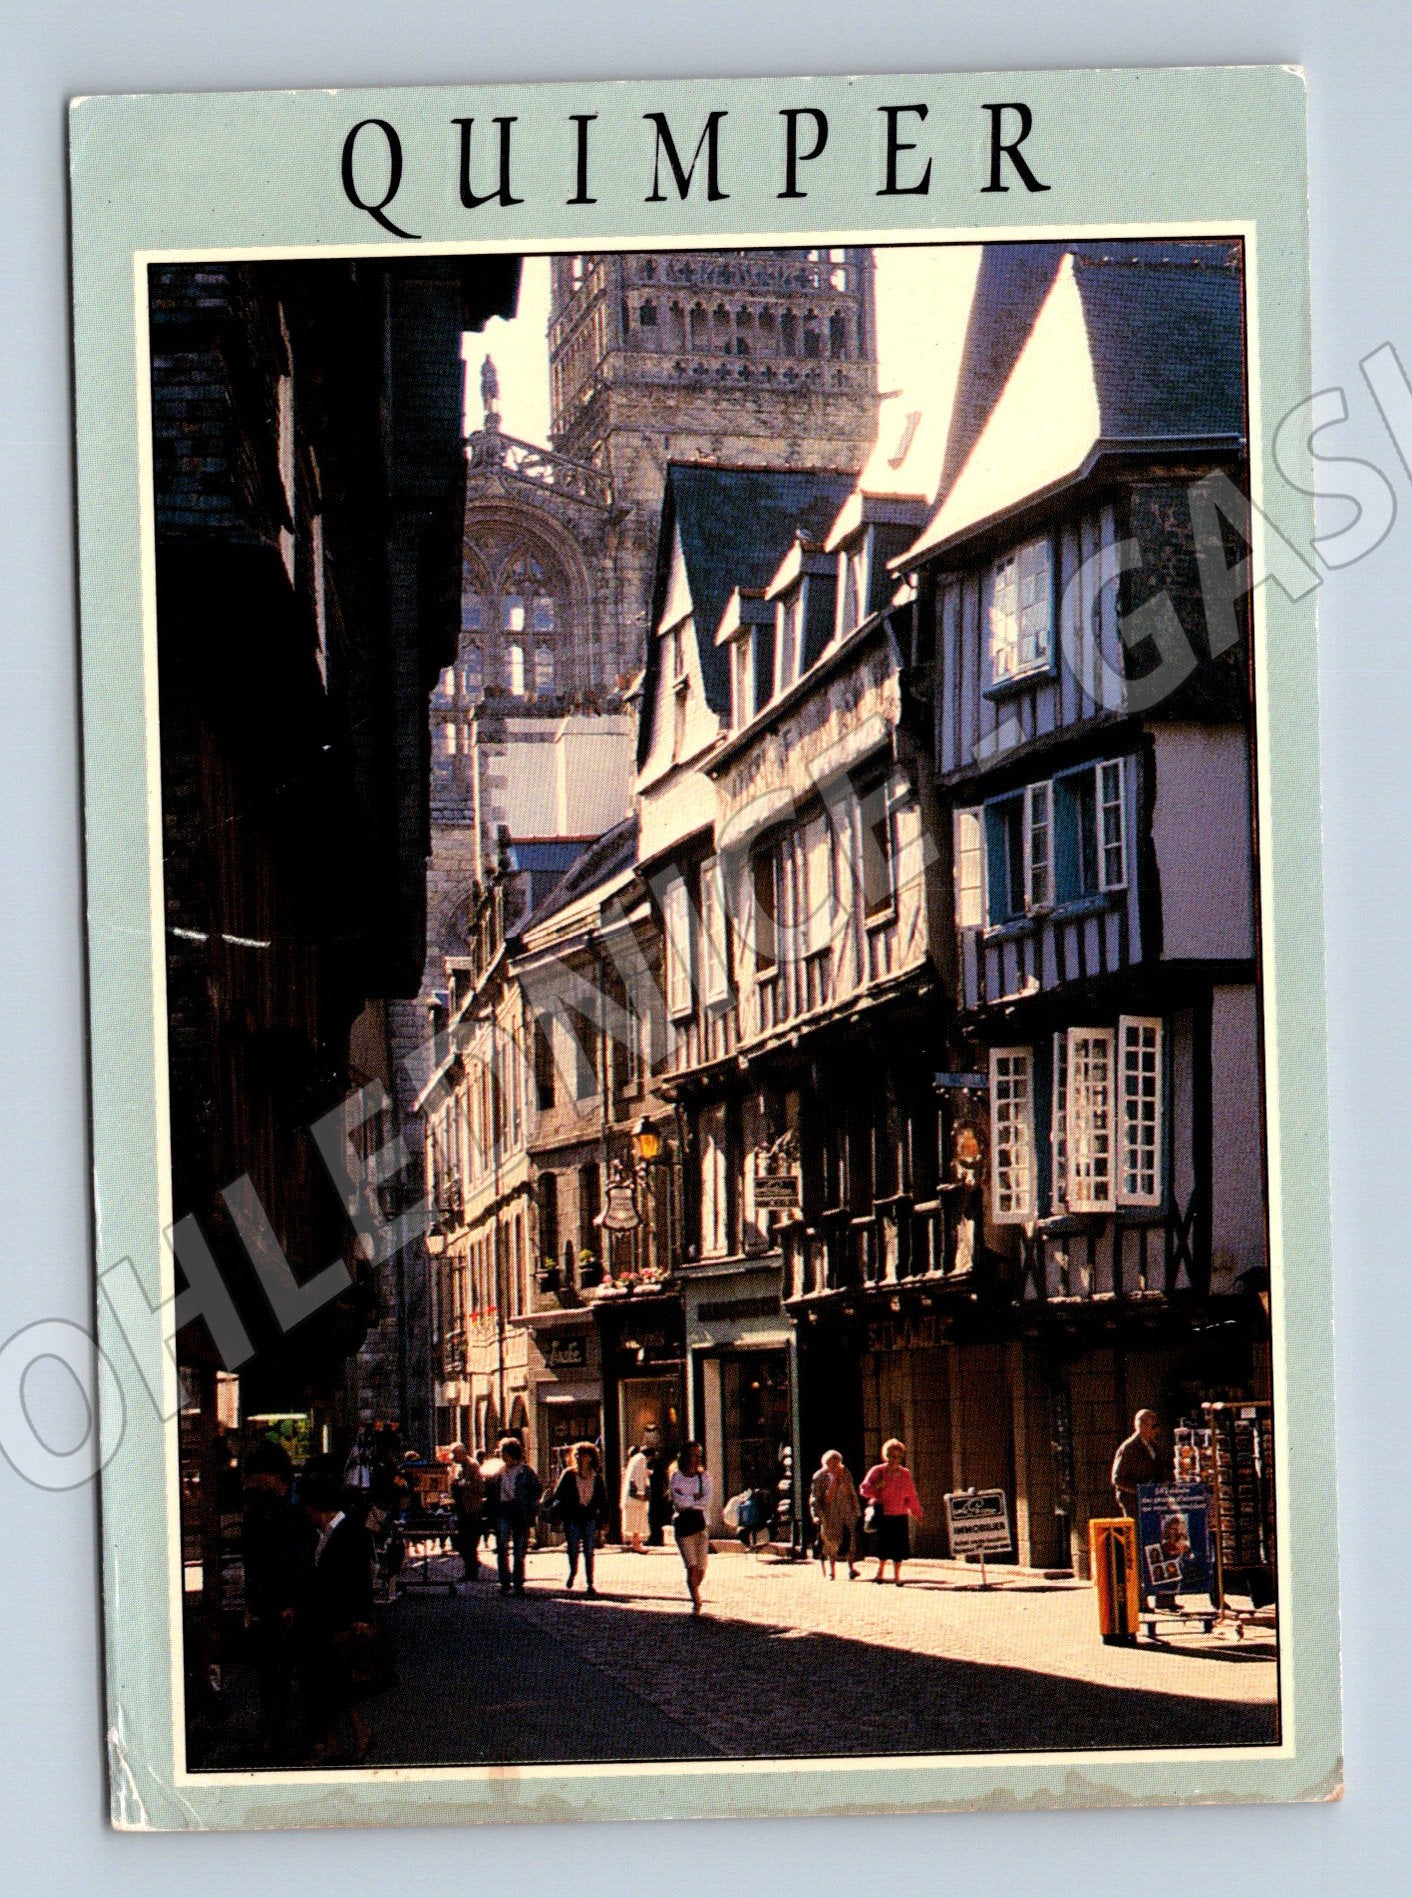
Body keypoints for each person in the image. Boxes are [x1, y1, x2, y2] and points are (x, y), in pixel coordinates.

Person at [296, 1471, 379, 1763]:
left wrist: (360, 1617)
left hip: (341, 1618)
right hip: (320, 1619)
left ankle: (357, 1732)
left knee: (339, 1682)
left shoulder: (351, 1531)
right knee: (326, 1683)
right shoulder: (319, 1534)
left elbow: (361, 1577)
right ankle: (335, 1740)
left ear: (314, 1506)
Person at [241, 1438, 313, 1761]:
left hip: (284, 1601)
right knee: (272, 1673)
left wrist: (289, 1600)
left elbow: (293, 1559)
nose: (254, 1481)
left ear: (270, 1474)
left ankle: (277, 1737)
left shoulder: (288, 1509)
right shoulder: (273, 1506)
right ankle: (273, 1735)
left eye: (258, 1475)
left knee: (280, 1673)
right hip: (271, 1600)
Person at [860, 1438, 923, 1586]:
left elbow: (911, 1495)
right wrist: (877, 1486)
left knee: (899, 1548)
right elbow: (864, 1490)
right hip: (883, 1514)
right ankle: (880, 1573)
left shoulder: (905, 1473)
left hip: (900, 1514)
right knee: (883, 1546)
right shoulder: (878, 1471)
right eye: (891, 1456)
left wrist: (917, 1512)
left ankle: (897, 1577)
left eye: (897, 1457)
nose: (894, 1460)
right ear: (885, 1456)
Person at [552, 1442, 610, 1593]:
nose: (578, 1458)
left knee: (589, 1550)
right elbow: (558, 1495)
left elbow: (603, 1501)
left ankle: (590, 1582)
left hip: (589, 1517)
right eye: (576, 1455)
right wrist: (554, 1510)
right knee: (572, 1548)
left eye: (582, 1455)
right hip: (572, 1517)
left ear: (590, 1458)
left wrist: (605, 1520)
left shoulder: (597, 1477)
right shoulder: (568, 1474)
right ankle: (573, 1572)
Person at [493, 1436, 542, 1596]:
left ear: (512, 1454)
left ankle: (518, 1582)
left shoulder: (526, 1472)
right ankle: (504, 1582)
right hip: (503, 1509)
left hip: (520, 1511)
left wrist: (529, 1507)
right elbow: (492, 1490)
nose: (502, 1456)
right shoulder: (499, 1471)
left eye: (504, 1453)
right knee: (502, 1546)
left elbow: (536, 1490)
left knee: (519, 1549)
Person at [669, 1440, 713, 1615]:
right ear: (685, 1456)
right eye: (694, 1454)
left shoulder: (704, 1477)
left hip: (701, 1525)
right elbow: (678, 1502)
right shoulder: (676, 1477)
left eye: (699, 1455)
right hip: (684, 1527)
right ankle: (696, 1600)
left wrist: (690, 1500)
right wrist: (694, 1498)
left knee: (701, 1569)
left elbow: (706, 1501)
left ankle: (695, 1590)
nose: (697, 1458)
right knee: (691, 1566)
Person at [809, 1448, 861, 1580]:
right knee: (830, 1542)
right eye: (831, 1464)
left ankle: (851, 1568)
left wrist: (857, 1509)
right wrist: (816, 1515)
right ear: (825, 1463)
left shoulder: (845, 1473)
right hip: (829, 1514)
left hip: (846, 1512)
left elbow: (852, 1491)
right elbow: (814, 1498)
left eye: (837, 1463)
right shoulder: (819, 1476)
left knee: (849, 1540)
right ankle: (832, 1571)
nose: (834, 1466)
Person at [1111, 1408, 1165, 1519]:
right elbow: (1117, 1479)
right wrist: (1140, 1490)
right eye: (1154, 1426)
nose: (1157, 1430)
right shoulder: (1129, 1448)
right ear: (1142, 1427)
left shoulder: (1154, 1446)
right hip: (1134, 1503)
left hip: (1152, 1501)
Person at [449, 1444, 486, 1583]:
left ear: (461, 1453)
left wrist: (462, 1484)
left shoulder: (473, 1466)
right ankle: (472, 1565)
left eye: (455, 1455)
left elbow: (479, 1486)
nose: (453, 1458)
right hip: (462, 1509)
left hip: (472, 1509)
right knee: (461, 1541)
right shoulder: (460, 1467)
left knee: (469, 1541)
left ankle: (472, 1570)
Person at [621, 1443, 650, 1553]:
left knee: (634, 1520)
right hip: (635, 1497)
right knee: (637, 1521)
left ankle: (635, 1543)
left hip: (630, 1497)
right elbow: (638, 1477)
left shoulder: (634, 1459)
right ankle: (636, 1544)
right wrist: (641, 1493)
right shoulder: (641, 1459)